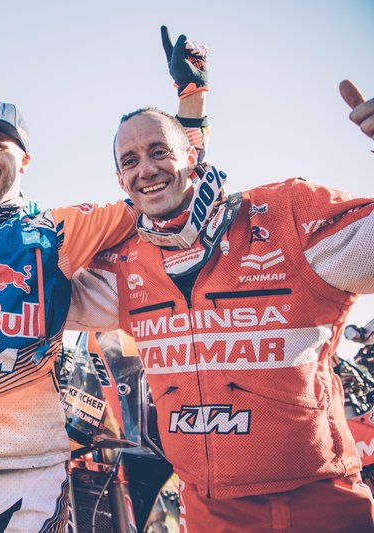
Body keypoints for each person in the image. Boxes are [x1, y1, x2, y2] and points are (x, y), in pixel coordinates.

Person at [0, 29, 208, 532]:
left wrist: (192, 107)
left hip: (33, 475)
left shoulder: (58, 229)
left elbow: (170, 190)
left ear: (24, 159)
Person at [67, 55, 374, 532]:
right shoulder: (127, 265)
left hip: (319, 500)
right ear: (120, 181)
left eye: (158, 152)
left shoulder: (283, 216)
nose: (145, 170)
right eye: (130, 161)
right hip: (210, 510)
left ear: (193, 155)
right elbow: (33, 301)